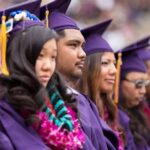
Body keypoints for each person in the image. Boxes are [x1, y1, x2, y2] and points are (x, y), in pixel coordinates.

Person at [40, 1, 119, 149]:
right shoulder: (36, 104)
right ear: (48, 47)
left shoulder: (84, 102)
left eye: (82, 46)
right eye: (73, 45)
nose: (83, 54)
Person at [0, 5, 58, 150]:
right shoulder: (4, 109)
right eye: (40, 55)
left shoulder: (53, 107)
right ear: (18, 55)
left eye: (53, 57)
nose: (48, 66)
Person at [77, 19, 125, 150]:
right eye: (105, 63)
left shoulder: (112, 113)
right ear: (87, 68)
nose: (114, 70)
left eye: (114, 63)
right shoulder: (77, 113)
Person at [118, 43, 150, 150]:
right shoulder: (114, 118)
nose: (143, 91)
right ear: (118, 82)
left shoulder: (140, 112)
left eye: (145, 84)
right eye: (138, 84)